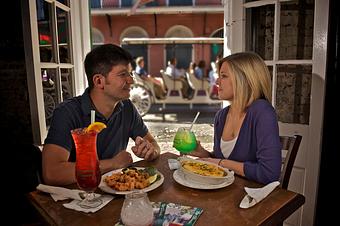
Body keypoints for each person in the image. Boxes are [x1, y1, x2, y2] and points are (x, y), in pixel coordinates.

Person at [42, 44, 161, 186]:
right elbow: (52, 172)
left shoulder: (127, 107)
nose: (131, 80)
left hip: (116, 193)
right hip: (79, 197)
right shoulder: (67, 113)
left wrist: (151, 151)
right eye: (123, 74)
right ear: (99, 81)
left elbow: (154, 144)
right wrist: (112, 164)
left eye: (130, 74)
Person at [189, 52, 282, 184]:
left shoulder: (262, 112)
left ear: (244, 79)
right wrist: (204, 154)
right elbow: (223, 160)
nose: (217, 81)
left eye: (224, 76)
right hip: (225, 192)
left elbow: (269, 174)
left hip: (253, 197)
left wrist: (221, 163)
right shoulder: (221, 116)